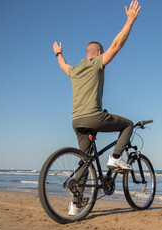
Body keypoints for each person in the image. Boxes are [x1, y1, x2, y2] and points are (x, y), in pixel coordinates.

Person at [52, 1, 142, 215]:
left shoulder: (74, 70)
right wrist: (129, 20)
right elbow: (117, 44)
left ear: (86, 53)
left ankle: (75, 204)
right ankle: (116, 157)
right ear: (99, 53)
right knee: (128, 125)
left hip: (76, 121)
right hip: (93, 117)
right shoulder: (97, 63)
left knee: (85, 161)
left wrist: (58, 53)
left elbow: (63, 65)